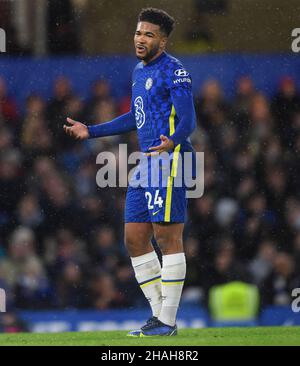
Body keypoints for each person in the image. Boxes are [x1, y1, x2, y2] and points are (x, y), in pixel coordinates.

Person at [64, 8, 196, 336]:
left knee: (167, 237)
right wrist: (90, 131)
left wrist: (172, 142)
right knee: (135, 238)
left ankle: (166, 321)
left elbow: (189, 120)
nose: (140, 39)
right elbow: (135, 117)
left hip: (171, 160)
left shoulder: (174, 71)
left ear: (162, 41)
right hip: (146, 163)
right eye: (139, 32)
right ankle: (159, 317)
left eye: (149, 34)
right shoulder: (139, 71)